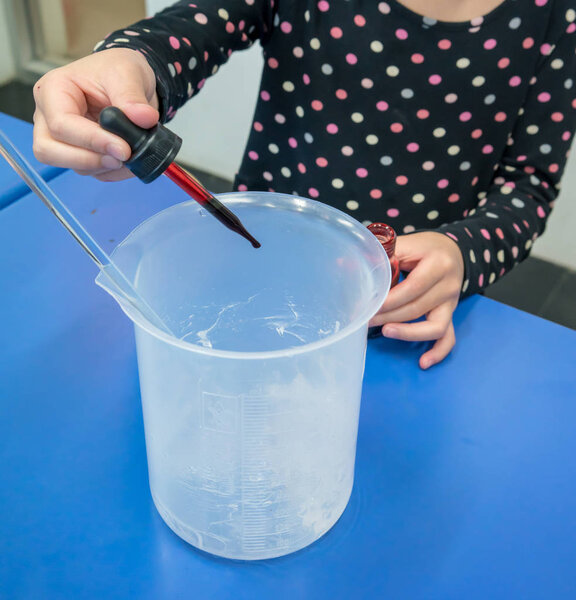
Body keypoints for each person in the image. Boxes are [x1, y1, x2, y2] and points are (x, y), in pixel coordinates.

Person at [31, 0, 576, 368]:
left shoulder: (556, 17)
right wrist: (132, 63)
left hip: (400, 317)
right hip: (248, 283)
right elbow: (196, 27)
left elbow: (528, 188)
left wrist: (462, 251)